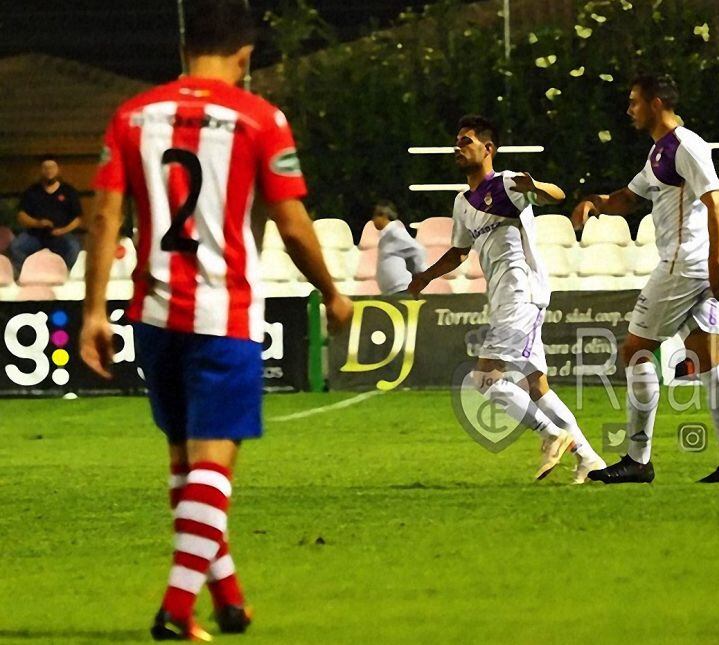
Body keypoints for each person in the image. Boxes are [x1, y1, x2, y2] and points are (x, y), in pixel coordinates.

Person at [79, 1, 353, 640]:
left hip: (151, 313)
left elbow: (103, 217)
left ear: (182, 51)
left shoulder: (131, 117)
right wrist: (333, 292)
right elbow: (292, 225)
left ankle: (228, 600)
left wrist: (94, 309)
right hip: (221, 313)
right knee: (212, 468)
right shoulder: (260, 118)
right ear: (245, 55)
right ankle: (176, 612)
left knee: (185, 465)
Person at [571, 74, 719, 484]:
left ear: (655, 103)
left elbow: (717, 204)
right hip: (690, 266)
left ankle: (638, 458)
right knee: (708, 360)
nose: (629, 109)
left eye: (634, 102)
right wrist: (595, 204)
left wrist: (713, 263)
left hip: (682, 266)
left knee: (635, 350)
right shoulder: (659, 152)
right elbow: (629, 197)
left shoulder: (686, 145)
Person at [408, 115, 605, 483]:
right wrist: (424, 277)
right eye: (456, 141)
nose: (458, 147)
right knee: (538, 387)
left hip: (522, 293)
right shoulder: (463, 202)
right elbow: (458, 253)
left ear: (488, 148)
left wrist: (538, 186)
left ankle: (550, 434)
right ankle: (590, 459)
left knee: (483, 381)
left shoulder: (507, 184)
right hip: (504, 298)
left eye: (465, 141)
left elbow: (556, 196)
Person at [10, 155, 83, 273]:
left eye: (52, 167)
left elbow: (78, 218)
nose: (49, 171)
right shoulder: (32, 191)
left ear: (58, 169)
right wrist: (38, 223)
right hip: (35, 235)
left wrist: (63, 230)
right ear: (41, 170)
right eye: (46, 168)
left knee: (74, 248)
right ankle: (27, 273)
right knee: (16, 246)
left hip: (60, 235)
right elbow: (21, 216)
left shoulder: (69, 191)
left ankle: (64, 273)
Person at [371, 200, 426, 294]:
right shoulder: (387, 235)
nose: (373, 220)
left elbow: (417, 249)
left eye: (375, 216)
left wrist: (418, 273)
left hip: (402, 290)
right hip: (393, 292)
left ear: (384, 215)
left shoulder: (395, 232)